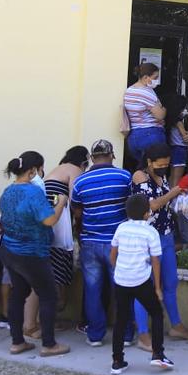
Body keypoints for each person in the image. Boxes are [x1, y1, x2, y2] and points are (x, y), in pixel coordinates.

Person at [0, 151, 70, 356]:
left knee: (18, 295)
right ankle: (49, 344)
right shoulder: (33, 192)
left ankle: (17, 341)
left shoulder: (7, 191)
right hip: (32, 253)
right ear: (32, 171)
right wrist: (60, 203)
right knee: (48, 296)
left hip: (10, 250)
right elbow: (48, 220)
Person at [71, 139, 134, 346]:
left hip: (90, 242)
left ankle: (95, 335)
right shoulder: (124, 176)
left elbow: (77, 212)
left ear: (91, 158)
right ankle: (125, 335)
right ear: (112, 155)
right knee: (121, 288)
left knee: (92, 289)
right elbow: (131, 206)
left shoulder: (80, 181)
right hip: (117, 242)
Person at [131, 143, 188, 347]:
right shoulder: (140, 176)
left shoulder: (162, 177)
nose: (163, 168)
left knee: (170, 282)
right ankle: (143, 333)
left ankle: (175, 324)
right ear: (149, 162)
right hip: (147, 238)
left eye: (167, 164)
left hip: (165, 236)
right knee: (144, 286)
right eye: (160, 164)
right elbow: (152, 205)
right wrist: (176, 190)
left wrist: (182, 199)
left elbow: (165, 204)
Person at [109, 194, 174, 374]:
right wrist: (158, 288)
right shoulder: (150, 232)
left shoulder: (121, 228)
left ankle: (117, 360)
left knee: (121, 319)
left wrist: (117, 269)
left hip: (121, 279)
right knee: (157, 313)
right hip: (141, 280)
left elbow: (113, 253)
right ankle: (158, 354)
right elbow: (156, 261)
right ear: (148, 213)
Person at [45, 146, 87, 307]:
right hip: (59, 222)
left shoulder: (57, 169)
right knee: (59, 259)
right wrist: (80, 221)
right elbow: (74, 199)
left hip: (48, 220)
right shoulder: (75, 169)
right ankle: (58, 303)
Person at [124, 63, 168, 163]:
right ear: (145, 77)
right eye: (155, 77)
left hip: (134, 136)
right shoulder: (146, 92)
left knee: (143, 168)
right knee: (156, 168)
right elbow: (159, 116)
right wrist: (164, 108)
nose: (156, 80)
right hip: (150, 134)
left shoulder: (129, 91)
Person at [165, 94, 188, 186]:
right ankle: (173, 199)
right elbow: (184, 137)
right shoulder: (179, 121)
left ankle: (168, 197)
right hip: (180, 149)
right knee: (177, 179)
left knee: (172, 176)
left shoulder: (170, 120)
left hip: (172, 148)